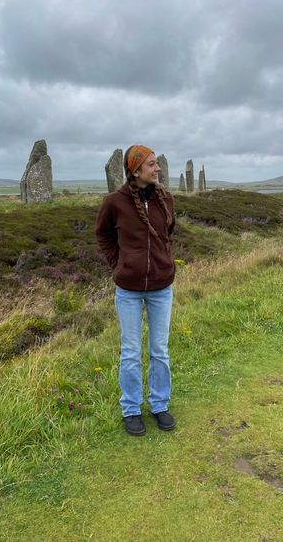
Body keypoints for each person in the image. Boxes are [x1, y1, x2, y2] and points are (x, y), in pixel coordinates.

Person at [95, 145, 177, 436]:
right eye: (152, 164)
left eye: (157, 164)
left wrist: (163, 259)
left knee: (159, 350)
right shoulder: (114, 202)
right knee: (131, 352)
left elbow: (168, 233)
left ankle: (159, 404)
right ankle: (131, 409)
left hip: (161, 287)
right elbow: (103, 235)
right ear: (136, 169)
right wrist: (119, 264)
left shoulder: (164, 198)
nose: (158, 169)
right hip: (128, 289)